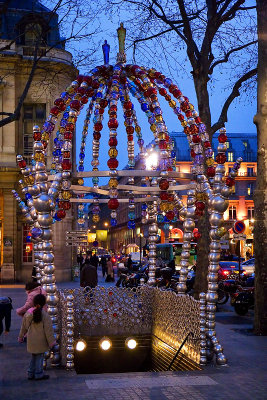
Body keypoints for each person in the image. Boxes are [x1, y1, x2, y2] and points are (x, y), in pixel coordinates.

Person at [18, 294, 56, 380]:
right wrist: (51, 342)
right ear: (44, 304)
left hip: (31, 340)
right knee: (39, 357)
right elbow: (48, 331)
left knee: (33, 357)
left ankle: (30, 373)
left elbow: (23, 327)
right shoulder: (45, 315)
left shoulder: (28, 313)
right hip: (40, 341)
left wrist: (21, 337)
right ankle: (39, 374)